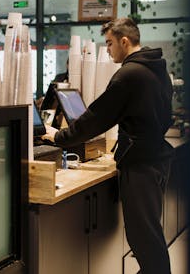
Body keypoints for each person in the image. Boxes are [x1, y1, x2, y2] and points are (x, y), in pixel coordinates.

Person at [42, 17, 174, 274]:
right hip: (156, 158)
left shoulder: (128, 74)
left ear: (125, 41)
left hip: (140, 165)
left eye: (110, 43)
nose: (109, 49)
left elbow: (96, 119)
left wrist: (58, 137)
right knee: (149, 235)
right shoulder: (157, 70)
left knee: (144, 239)